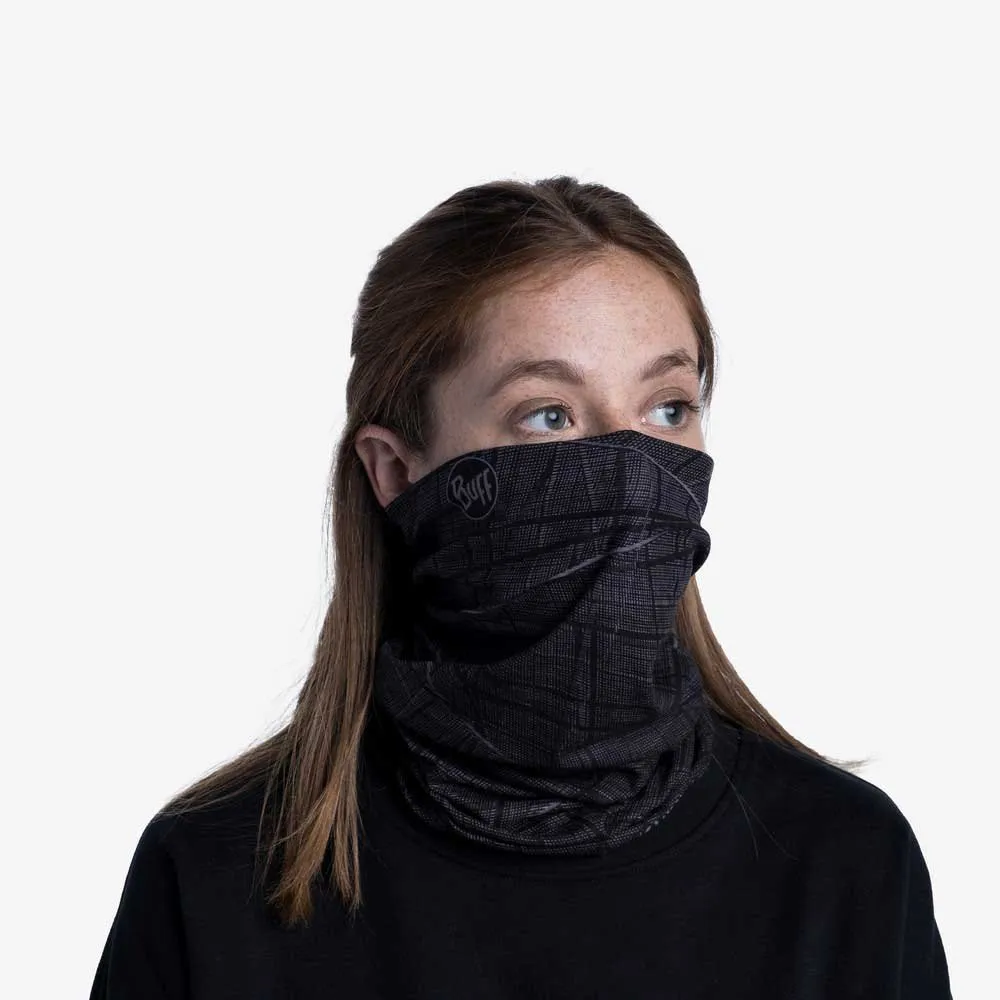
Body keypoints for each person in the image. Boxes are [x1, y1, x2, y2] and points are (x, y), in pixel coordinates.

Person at [89, 176, 952, 998]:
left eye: (668, 408)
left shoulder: (845, 860)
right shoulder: (213, 871)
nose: (632, 465)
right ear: (396, 470)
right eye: (549, 414)